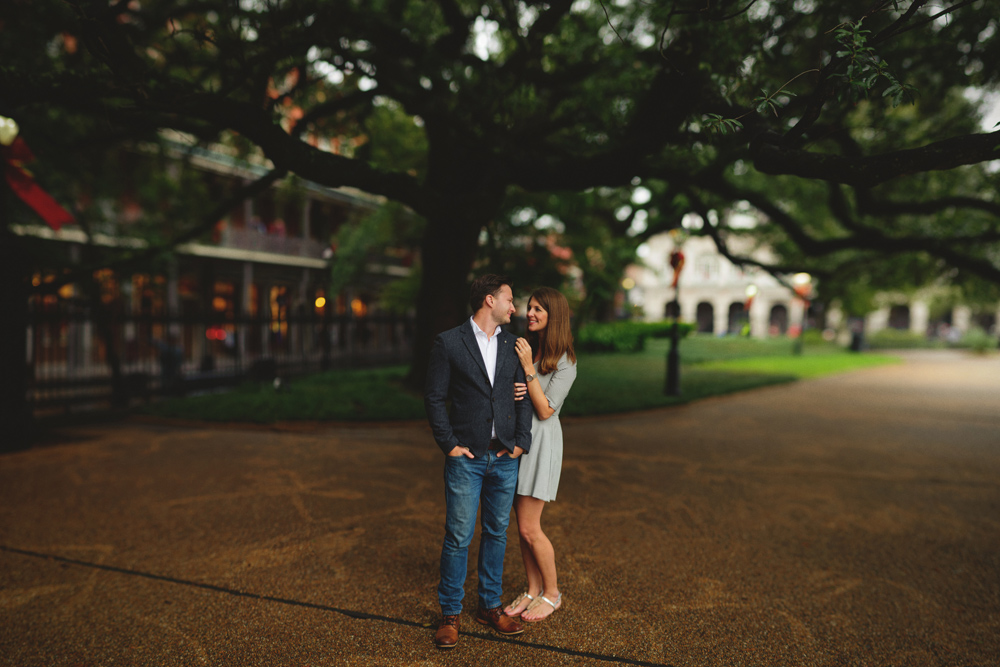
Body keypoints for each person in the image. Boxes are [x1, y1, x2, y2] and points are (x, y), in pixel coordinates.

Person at [424, 274, 533, 649]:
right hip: (465, 458)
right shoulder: (449, 342)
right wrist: (449, 445)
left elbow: (522, 397)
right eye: (510, 300)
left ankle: (490, 606)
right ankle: (450, 614)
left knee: (497, 534)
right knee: (457, 536)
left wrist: (521, 443)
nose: (514, 307)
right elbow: (434, 398)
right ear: (489, 301)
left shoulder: (514, 344)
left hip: (504, 457)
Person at [504, 287, 577, 623]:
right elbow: (527, 395)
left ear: (554, 316)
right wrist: (521, 387)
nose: (529, 313)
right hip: (521, 441)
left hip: (543, 444)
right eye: (529, 308)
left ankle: (553, 593)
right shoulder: (530, 350)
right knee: (521, 528)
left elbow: (546, 409)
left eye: (538, 310)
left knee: (532, 528)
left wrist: (527, 373)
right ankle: (533, 589)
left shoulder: (566, 361)